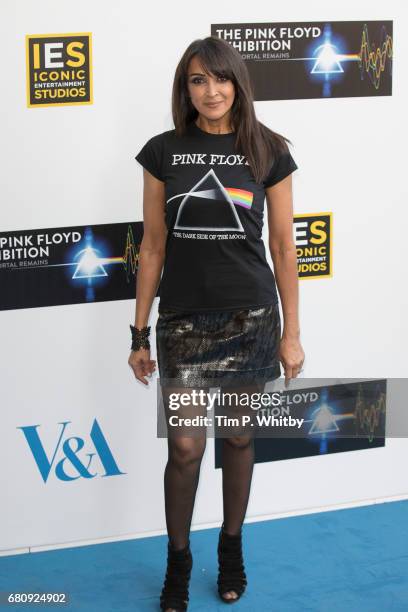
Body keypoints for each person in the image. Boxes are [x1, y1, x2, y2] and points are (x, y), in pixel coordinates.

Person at [128, 35, 305, 612]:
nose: (211, 91)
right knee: (184, 448)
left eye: (221, 78)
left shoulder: (268, 150)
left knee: (238, 436)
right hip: (181, 324)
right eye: (198, 80)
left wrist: (292, 332)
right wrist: (138, 333)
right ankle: (178, 560)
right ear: (186, 87)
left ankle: (231, 547)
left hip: (251, 320)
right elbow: (152, 248)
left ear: (238, 84)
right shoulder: (162, 152)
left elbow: (283, 246)